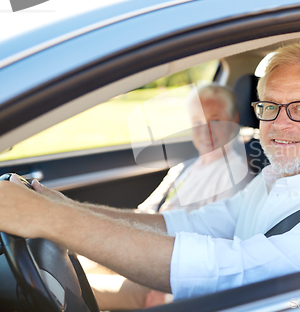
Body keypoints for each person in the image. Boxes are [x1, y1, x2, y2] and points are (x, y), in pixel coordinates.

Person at [0, 43, 300, 303]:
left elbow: (232, 271)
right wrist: (65, 206)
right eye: (270, 107)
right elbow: (182, 224)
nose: (280, 124)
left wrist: (52, 220)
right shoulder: (274, 178)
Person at [85, 84, 252, 310]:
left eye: (215, 121)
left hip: (164, 279)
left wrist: (167, 293)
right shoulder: (186, 167)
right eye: (197, 123)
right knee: (73, 261)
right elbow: (146, 211)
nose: (205, 131)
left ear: (234, 119)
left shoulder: (234, 175)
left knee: (70, 284)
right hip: (138, 252)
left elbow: (219, 248)